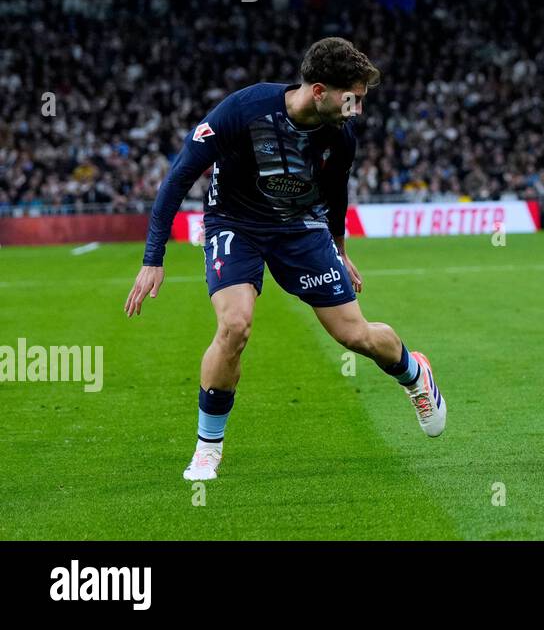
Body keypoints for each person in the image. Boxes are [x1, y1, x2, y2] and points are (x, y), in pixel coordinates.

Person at [123, 38, 447, 481]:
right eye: (351, 97)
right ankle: (207, 448)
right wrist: (152, 257)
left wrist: (340, 248)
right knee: (234, 325)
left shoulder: (341, 136)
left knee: (354, 335)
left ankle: (415, 373)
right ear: (318, 90)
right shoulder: (244, 109)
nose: (358, 108)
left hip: (301, 229)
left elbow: (336, 194)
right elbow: (179, 175)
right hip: (235, 224)